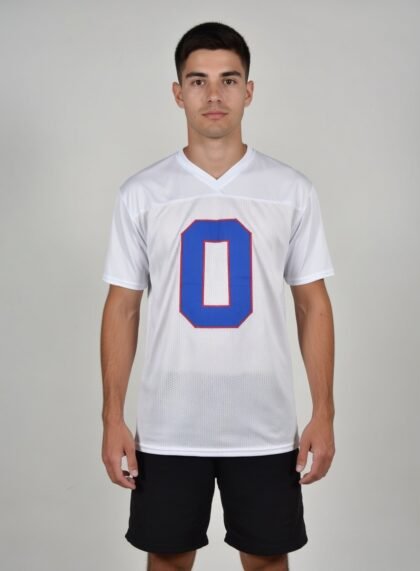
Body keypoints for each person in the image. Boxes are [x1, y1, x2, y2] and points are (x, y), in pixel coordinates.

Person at [100, 21, 335, 571]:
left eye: (228, 80)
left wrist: (323, 412)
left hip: (264, 425)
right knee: (168, 559)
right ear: (177, 92)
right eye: (198, 81)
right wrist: (112, 417)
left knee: (267, 561)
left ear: (248, 91)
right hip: (168, 425)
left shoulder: (290, 190)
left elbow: (313, 304)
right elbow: (122, 307)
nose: (213, 95)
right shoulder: (142, 193)